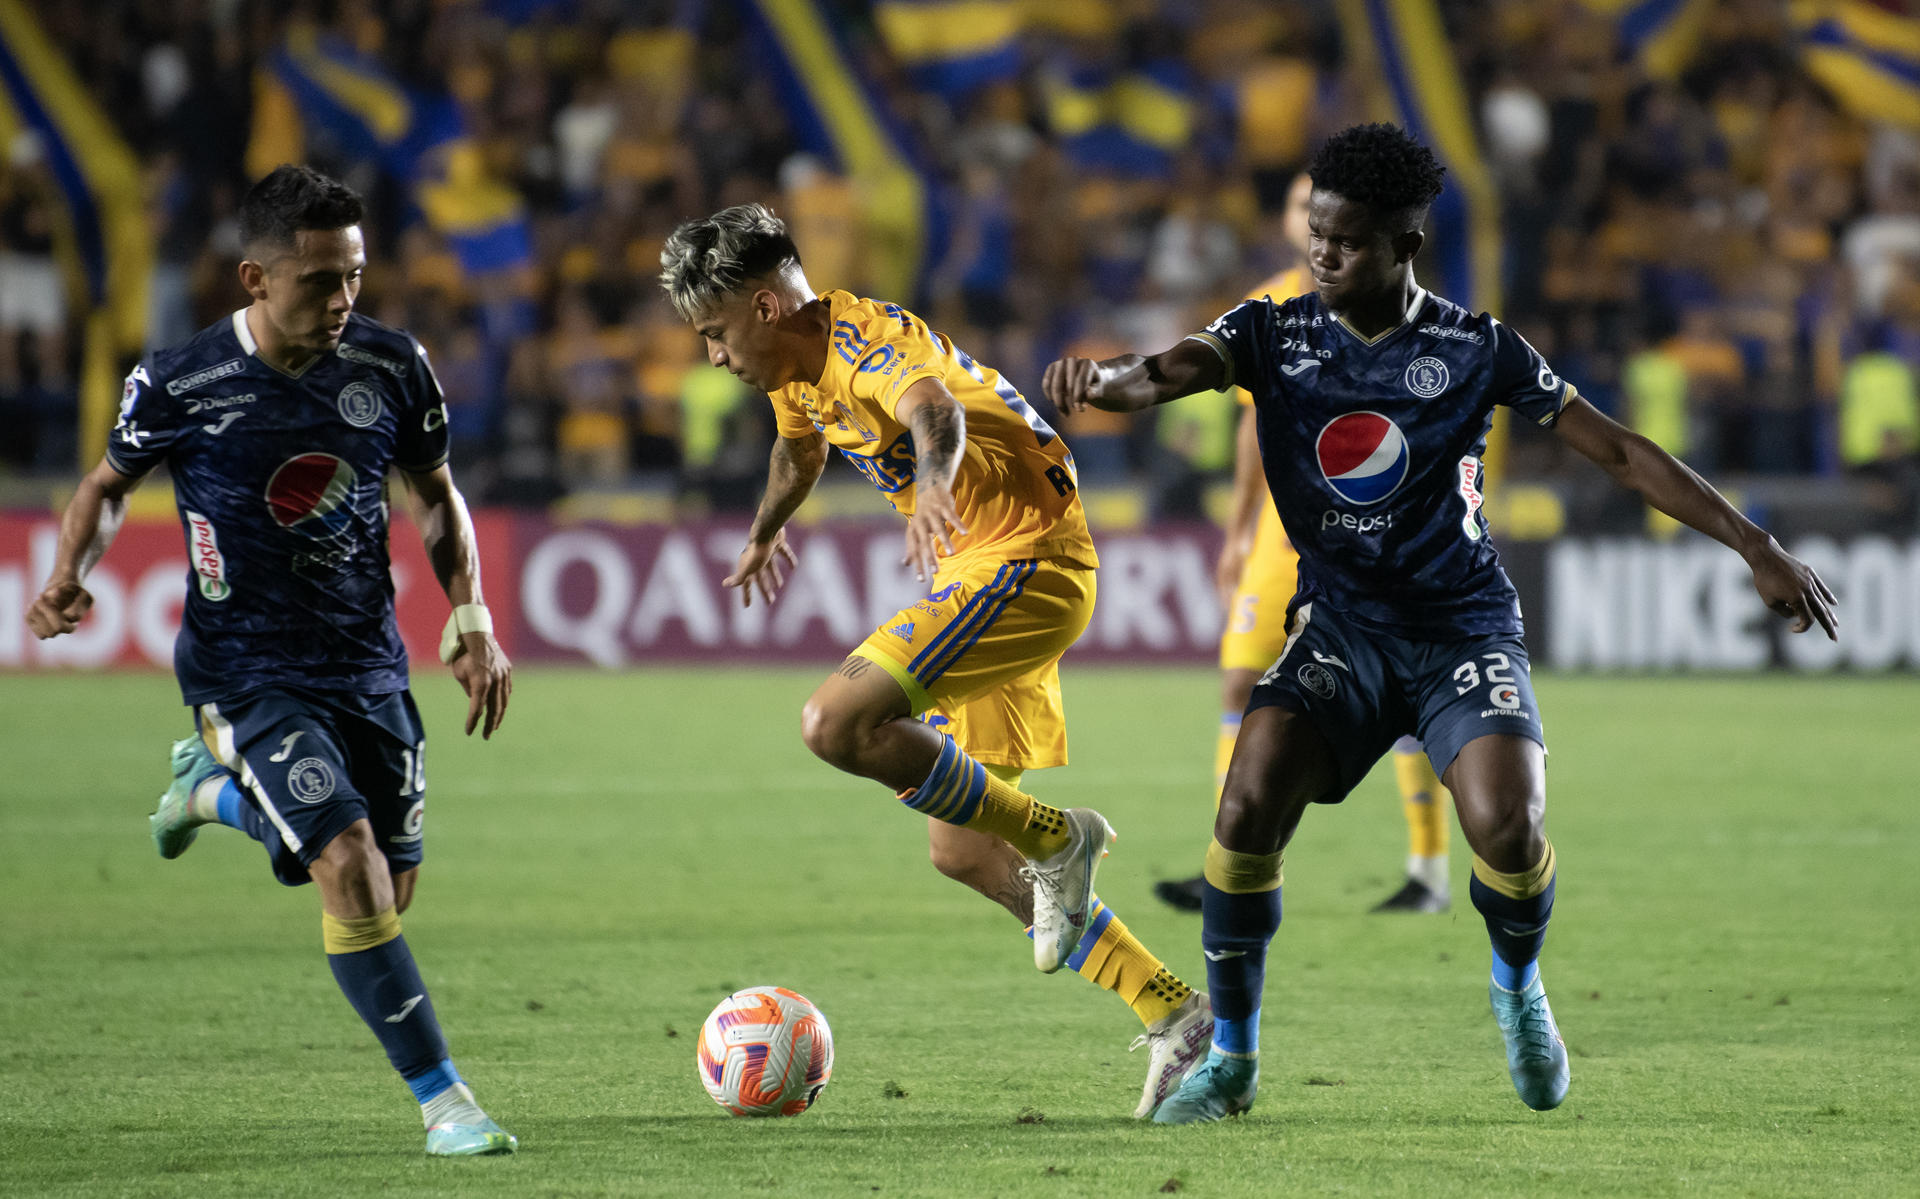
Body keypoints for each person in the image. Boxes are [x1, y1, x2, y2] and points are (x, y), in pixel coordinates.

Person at [1043, 123, 1837, 1124]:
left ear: (1406, 244)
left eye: (1347, 242)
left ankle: (1519, 988)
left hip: (1461, 627)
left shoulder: (1477, 348)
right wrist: (1100, 382)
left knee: (1509, 822)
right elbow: (1161, 369)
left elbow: (1624, 453)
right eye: (1317, 234)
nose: (1323, 255)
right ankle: (1233, 1060)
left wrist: (1755, 543)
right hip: (1341, 627)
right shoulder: (1271, 330)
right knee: (1244, 810)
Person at [660, 203, 1213, 1118]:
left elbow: (933, 407)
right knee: (960, 847)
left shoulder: (866, 343)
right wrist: (764, 530)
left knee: (834, 722)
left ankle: (1058, 835)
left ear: (763, 306)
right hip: (995, 565)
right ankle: (1173, 1012)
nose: (713, 356)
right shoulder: (794, 370)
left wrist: (935, 488)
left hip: (1025, 560)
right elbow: (796, 450)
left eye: (715, 333)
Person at [25, 166, 517, 1156]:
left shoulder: (390, 363)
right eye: (319, 281)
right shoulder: (182, 380)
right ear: (254, 277)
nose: (342, 300)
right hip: (243, 669)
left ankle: (208, 796)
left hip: (368, 662)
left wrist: (469, 612)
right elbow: (106, 482)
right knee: (350, 868)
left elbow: (433, 490)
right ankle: (446, 1101)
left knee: (392, 885)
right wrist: (69, 570)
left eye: (355, 275)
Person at [1154, 171, 1453, 917]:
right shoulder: (1264, 306)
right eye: (1297, 206)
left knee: (1403, 692)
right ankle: (1226, 858)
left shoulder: (1397, 309)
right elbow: (1257, 427)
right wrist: (1238, 531)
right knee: (1238, 682)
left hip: (1367, 532)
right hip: (1279, 533)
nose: (1309, 218)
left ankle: (1430, 869)